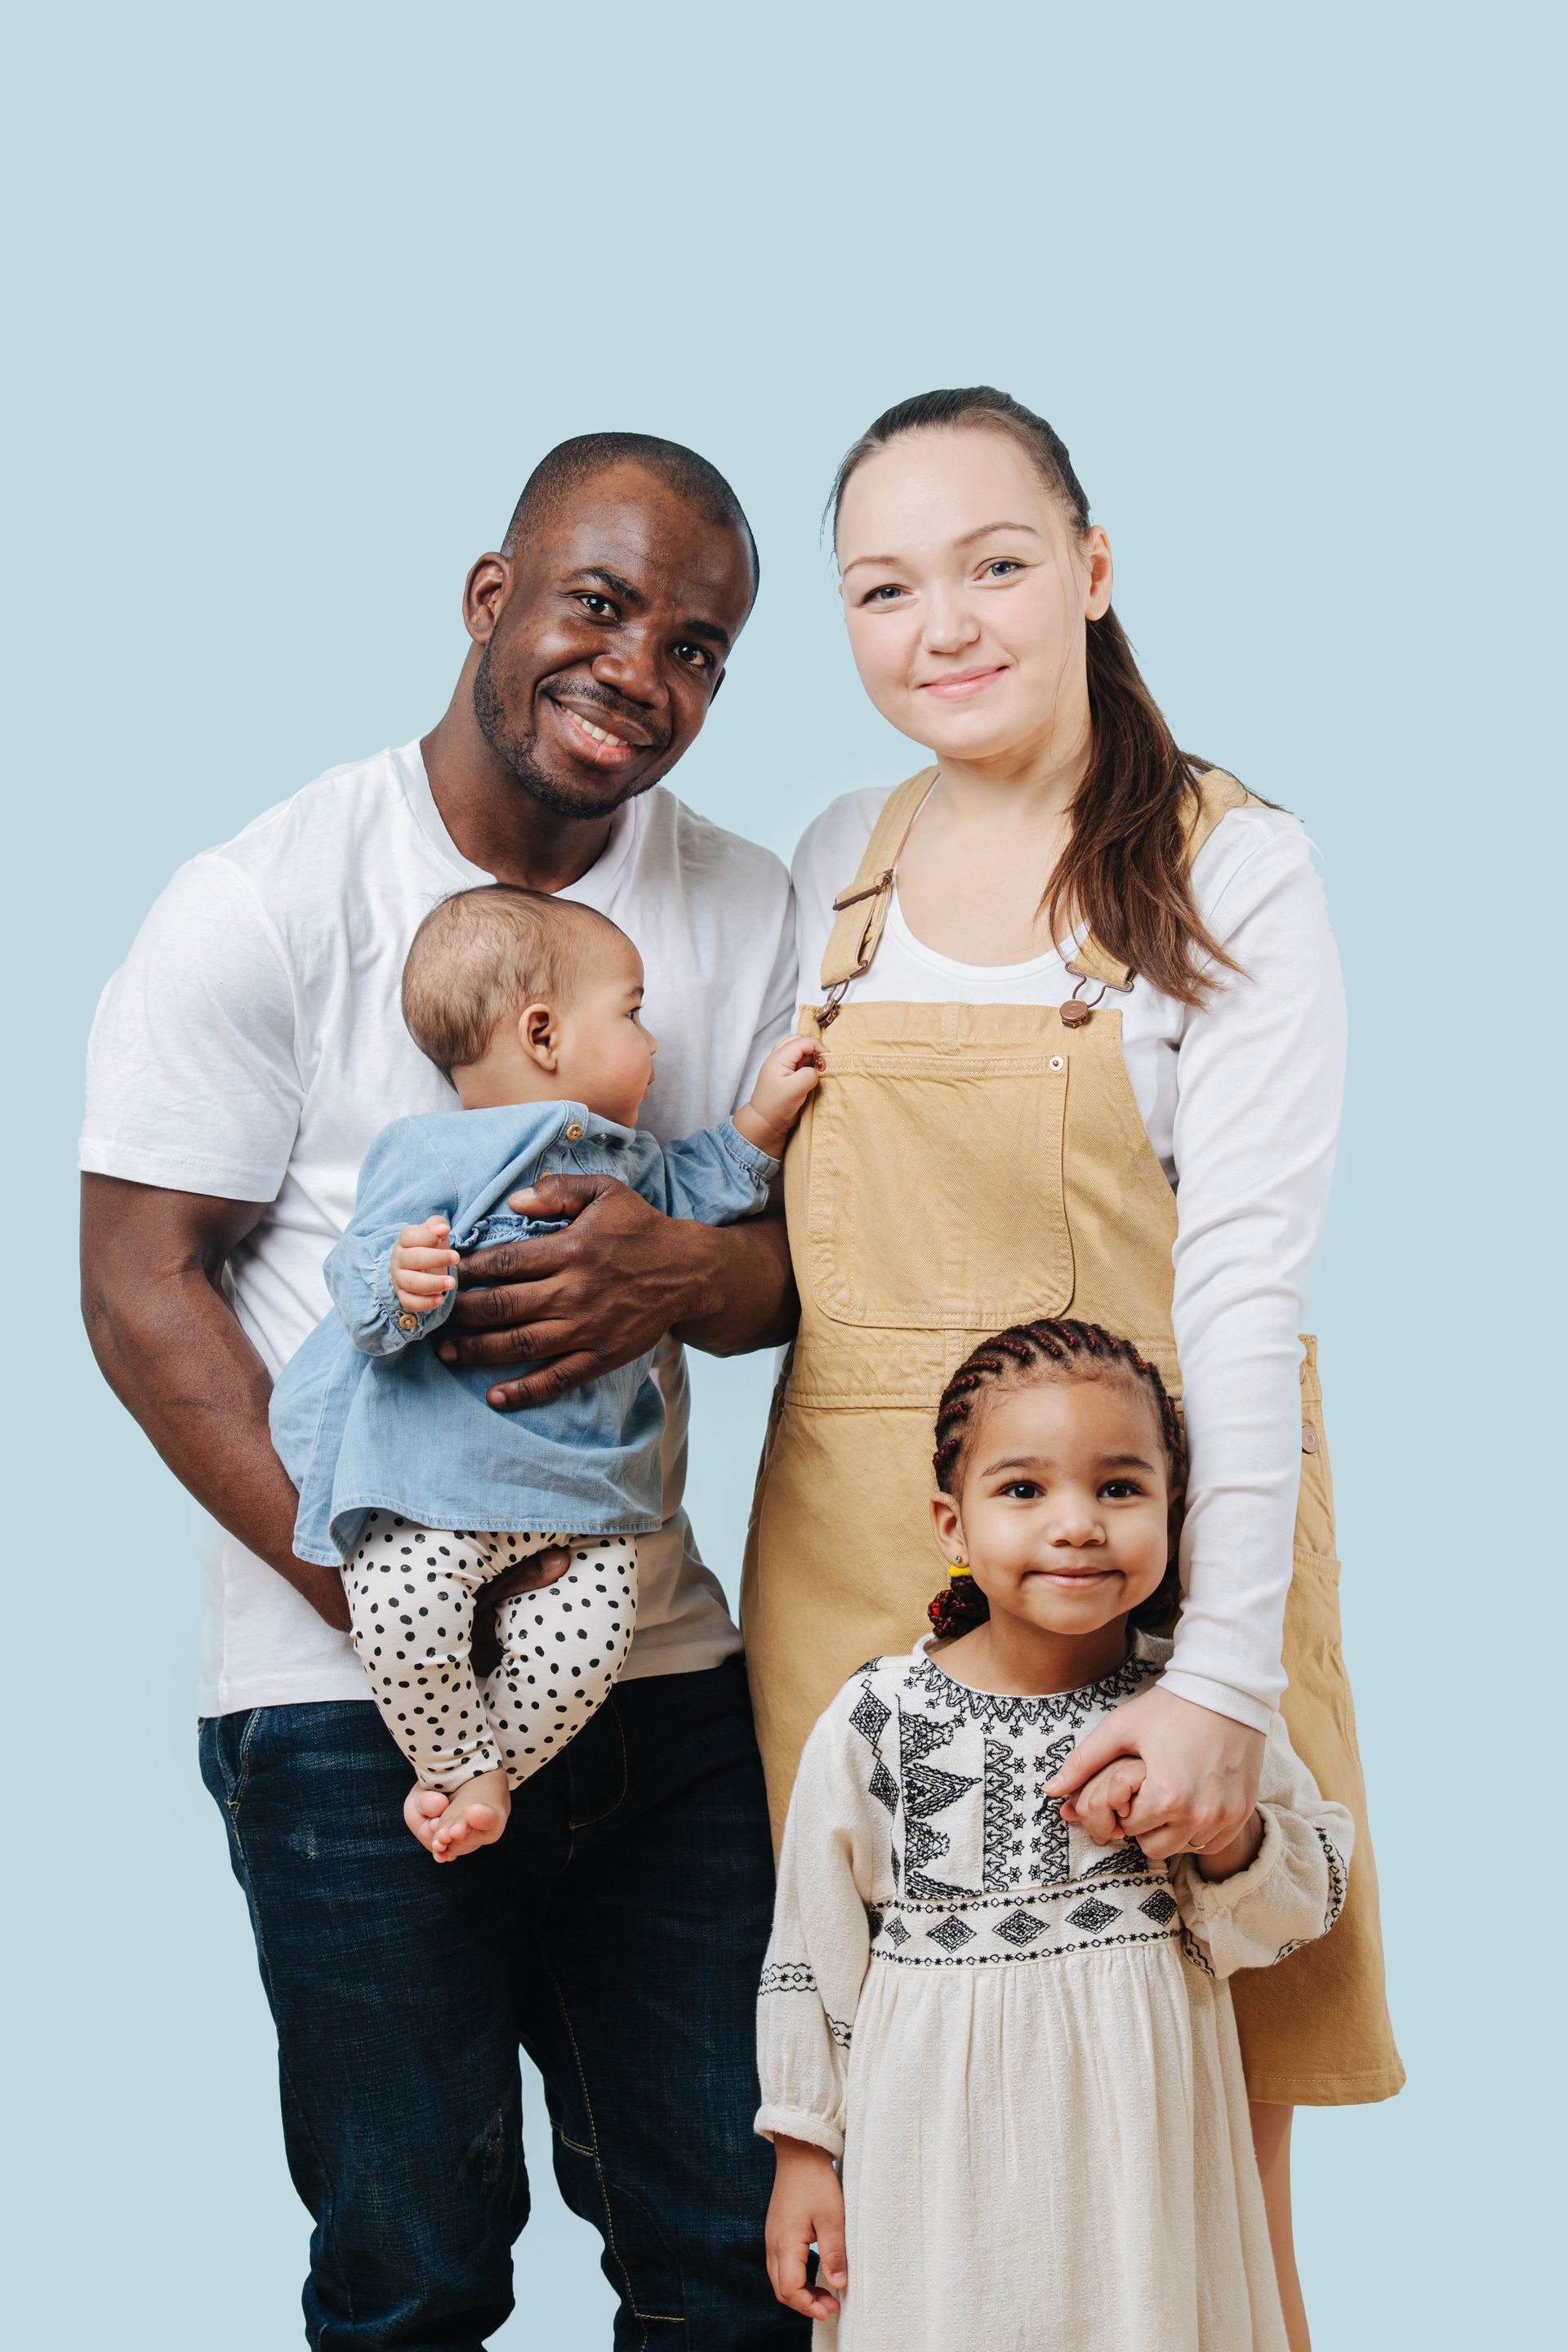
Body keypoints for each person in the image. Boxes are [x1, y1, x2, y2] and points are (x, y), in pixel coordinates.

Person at [80, 434, 808, 2348]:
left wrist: (682, 1268)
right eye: (601, 603)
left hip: (654, 1688)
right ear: (492, 598)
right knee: (410, 2277)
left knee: (740, 2256)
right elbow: (140, 1282)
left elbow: (794, 1262)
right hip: (345, 1704)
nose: (645, 667)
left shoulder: (738, 907)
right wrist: (387, 1600)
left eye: (702, 646)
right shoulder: (267, 895)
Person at [742, 387, 1401, 2348]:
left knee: (1195, 2170)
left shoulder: (1228, 868)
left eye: (994, 564)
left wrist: (1213, 1684)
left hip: (1158, 1583)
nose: (939, 624)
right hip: (855, 1574)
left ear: (1094, 573)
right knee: (880, 2178)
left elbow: (1240, 1302)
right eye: (882, 586)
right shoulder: (830, 866)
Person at [758, 1318, 1352, 2350]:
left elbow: (1301, 1899)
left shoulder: (1201, 1711)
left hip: (1144, 2171)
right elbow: (810, 1949)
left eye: (1120, 1488)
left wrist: (1215, 1831)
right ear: (952, 1524)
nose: (1076, 1524)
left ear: (1178, 1511)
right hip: (934, 2178)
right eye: (1024, 1490)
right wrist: (804, 2152)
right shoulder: (878, 1719)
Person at [270, 882, 820, 1860]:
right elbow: (360, 1265)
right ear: (542, 1031)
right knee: (403, 1618)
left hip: (582, 1497)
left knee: (586, 1657)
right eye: (634, 1011)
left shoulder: (634, 1161)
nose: (653, 1041)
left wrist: (763, 1124)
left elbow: (703, 1190)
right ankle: (455, 1764)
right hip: (432, 1487)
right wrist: (402, 1275)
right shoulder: (429, 1148)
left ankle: (487, 1779)